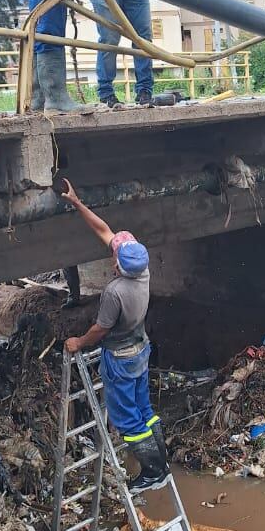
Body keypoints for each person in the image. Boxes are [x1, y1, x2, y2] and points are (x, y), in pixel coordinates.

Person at [59, 180, 168, 490]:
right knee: (145, 410)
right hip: (141, 351)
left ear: (119, 265)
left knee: (127, 420)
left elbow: (100, 329)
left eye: (115, 258)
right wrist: (77, 203)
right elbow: (105, 231)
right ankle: (162, 464)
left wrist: (78, 342)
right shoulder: (141, 270)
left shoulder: (115, 292)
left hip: (120, 359)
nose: (112, 256)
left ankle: (152, 473)